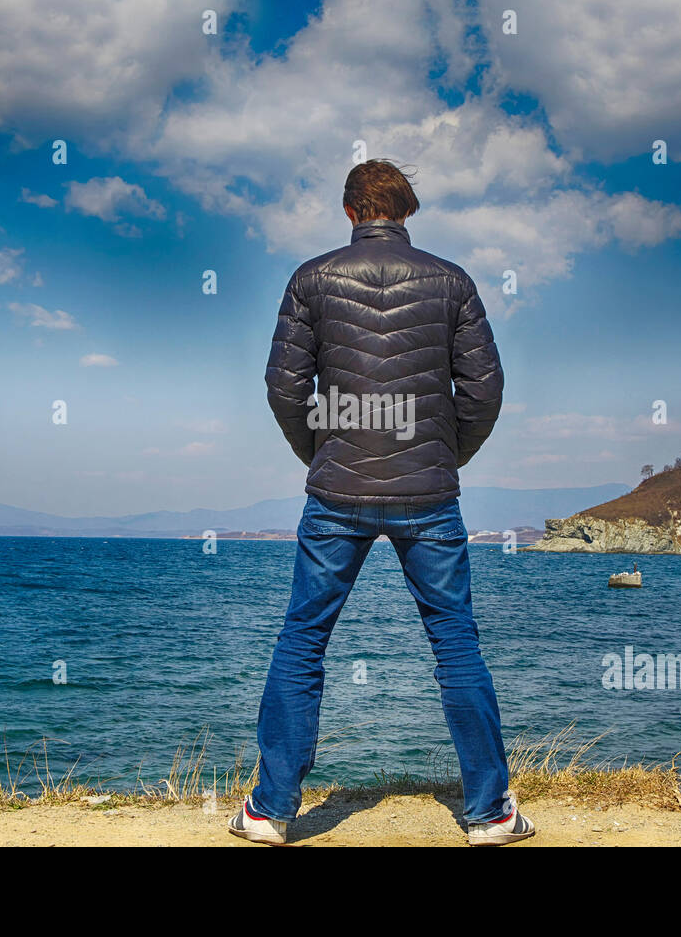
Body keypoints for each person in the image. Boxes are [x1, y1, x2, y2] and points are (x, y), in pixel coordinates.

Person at [228, 159, 534, 847]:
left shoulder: (310, 279)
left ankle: (270, 812)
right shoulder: (453, 282)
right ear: (406, 212)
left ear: (349, 213)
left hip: (336, 492)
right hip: (429, 494)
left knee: (303, 640)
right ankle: (490, 814)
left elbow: (284, 388)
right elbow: (483, 391)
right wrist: (442, 456)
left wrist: (324, 453)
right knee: (455, 644)